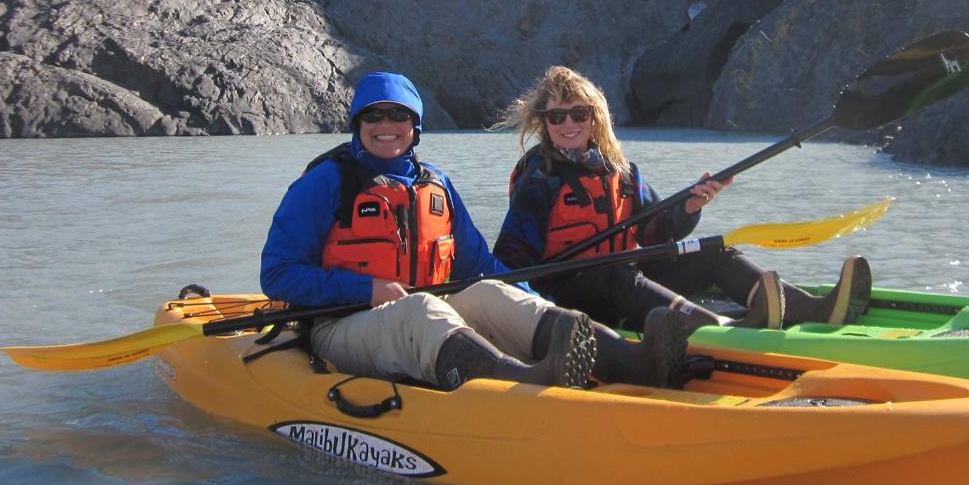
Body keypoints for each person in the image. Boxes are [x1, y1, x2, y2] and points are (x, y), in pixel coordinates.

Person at [260, 70, 692, 392]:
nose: (386, 123)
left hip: (421, 309)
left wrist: (532, 300)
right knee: (421, 310)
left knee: (490, 291)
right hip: (342, 325)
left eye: (399, 115)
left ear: (415, 127)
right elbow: (278, 274)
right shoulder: (326, 181)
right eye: (374, 114)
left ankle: (636, 363)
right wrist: (365, 289)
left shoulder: (436, 184)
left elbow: (481, 264)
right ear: (358, 123)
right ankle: (526, 382)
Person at [492, 65, 872, 333]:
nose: (569, 124)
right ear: (544, 124)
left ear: (595, 118)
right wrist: (536, 321)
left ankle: (811, 308)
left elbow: (659, 232)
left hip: (624, 283)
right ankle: (717, 329)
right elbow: (511, 259)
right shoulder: (538, 179)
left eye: (578, 113)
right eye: (557, 118)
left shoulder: (621, 172)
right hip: (570, 299)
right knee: (616, 273)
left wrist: (690, 206)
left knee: (710, 251)